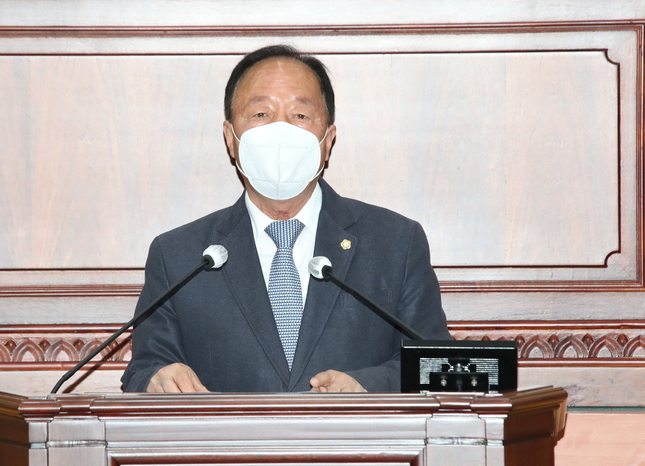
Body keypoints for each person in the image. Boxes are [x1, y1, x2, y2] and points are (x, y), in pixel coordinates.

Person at [121, 45, 450, 394]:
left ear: (328, 140)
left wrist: (366, 387)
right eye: (261, 114)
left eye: (300, 115)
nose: (280, 130)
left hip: (359, 447)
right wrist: (156, 379)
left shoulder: (396, 243)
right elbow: (143, 371)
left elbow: (440, 365)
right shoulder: (179, 256)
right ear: (231, 139)